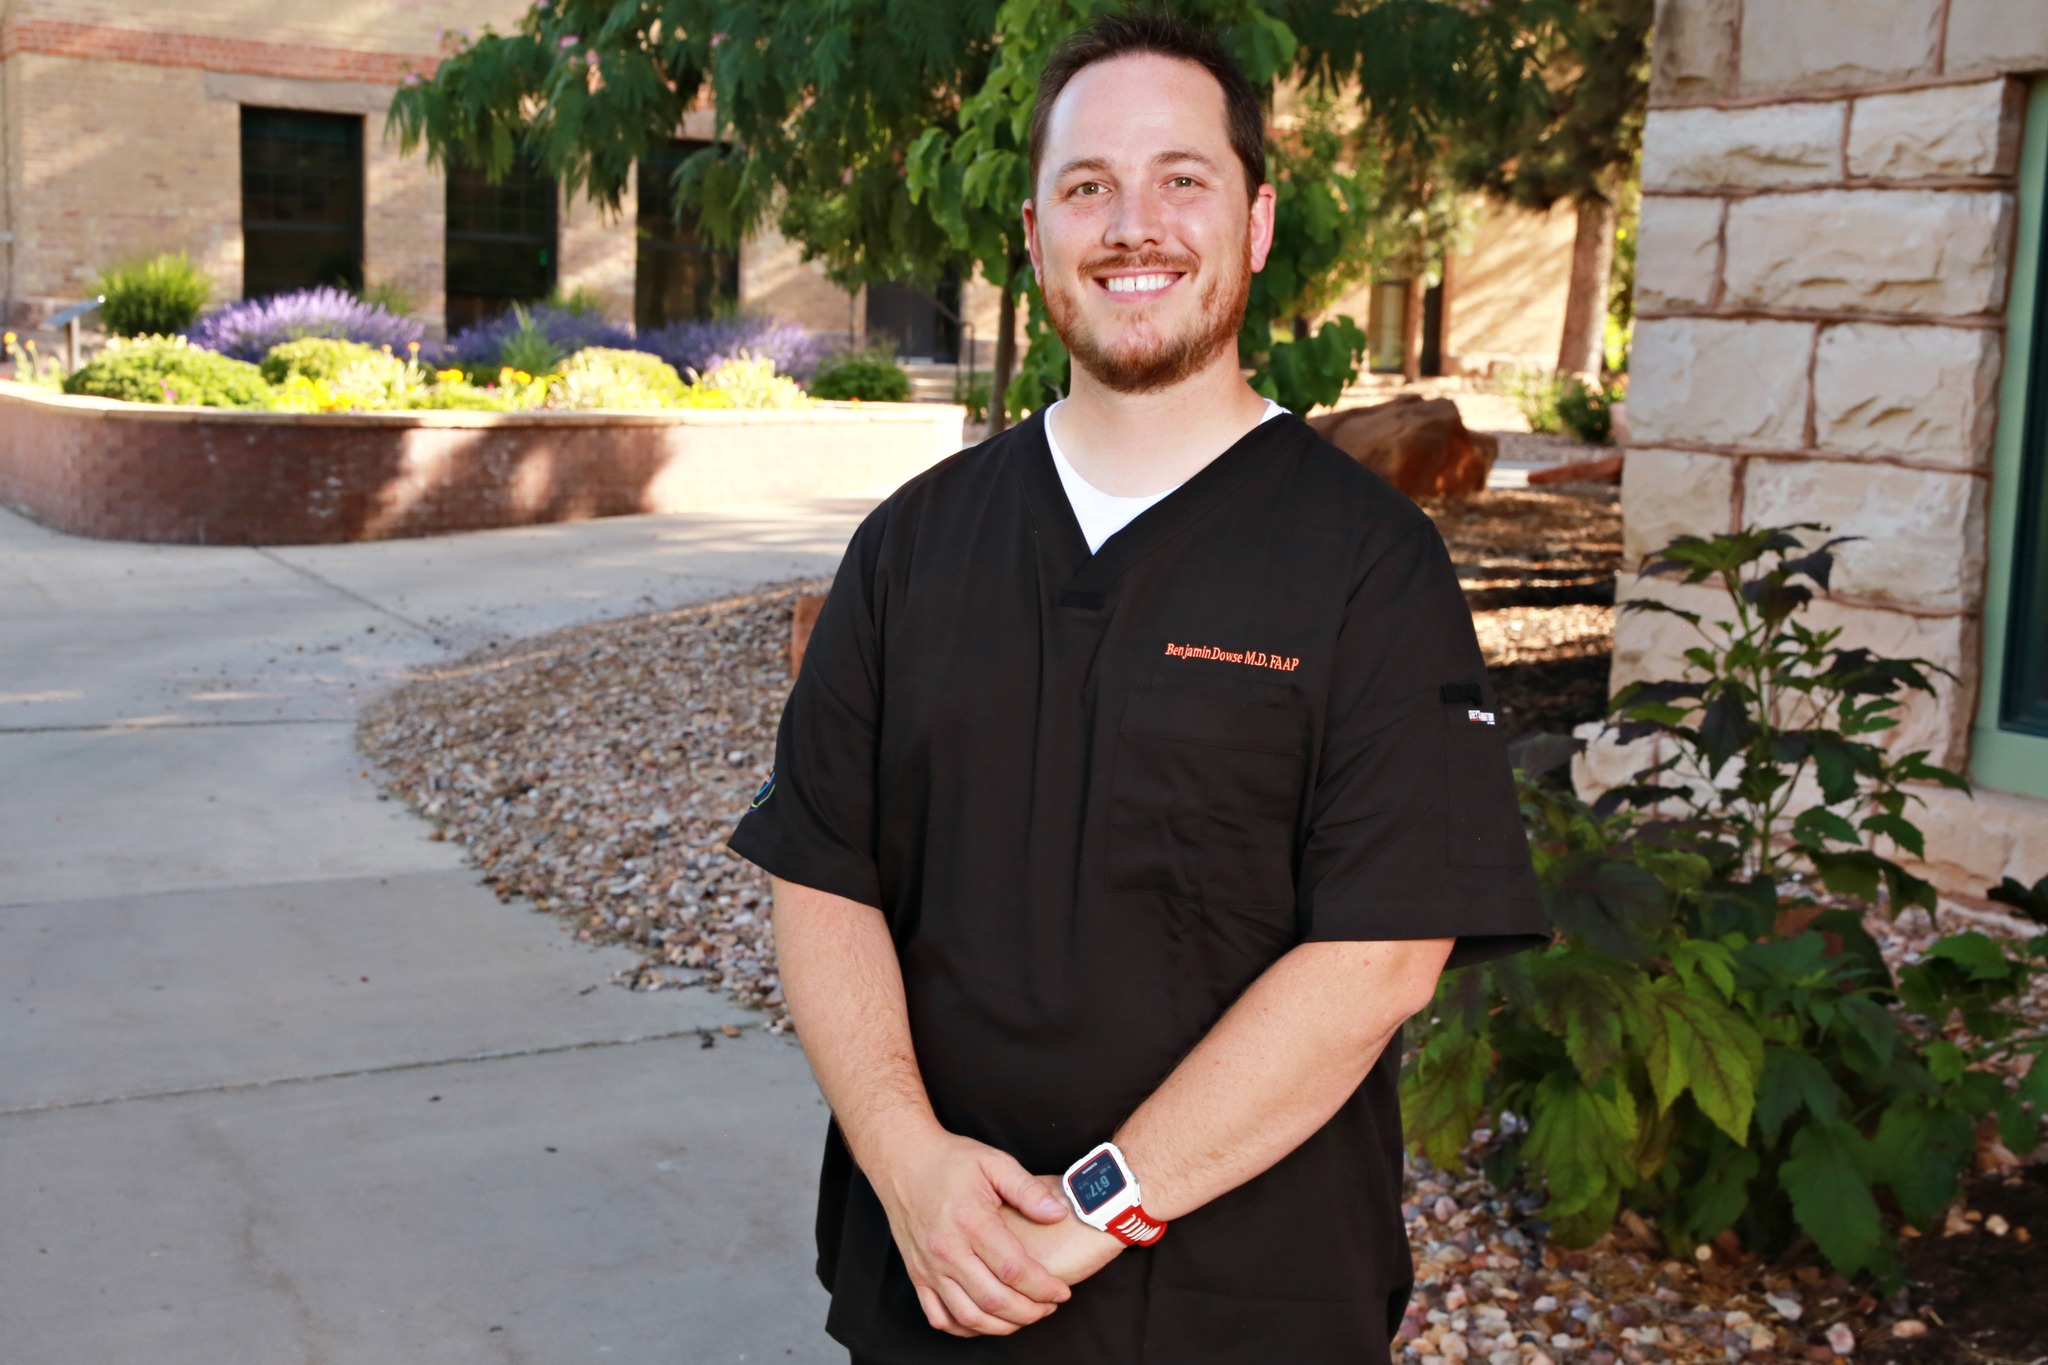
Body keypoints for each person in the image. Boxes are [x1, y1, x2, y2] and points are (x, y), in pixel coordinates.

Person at [728, 13, 1549, 1363]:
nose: (1134, 223)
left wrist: (1084, 1217)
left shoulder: (1368, 566)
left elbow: (1382, 954)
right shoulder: (916, 543)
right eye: (1087, 185)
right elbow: (824, 870)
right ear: (1036, 231)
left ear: (1258, 220)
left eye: (1183, 178)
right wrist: (908, 1161)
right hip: (932, 1281)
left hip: (1244, 1306)